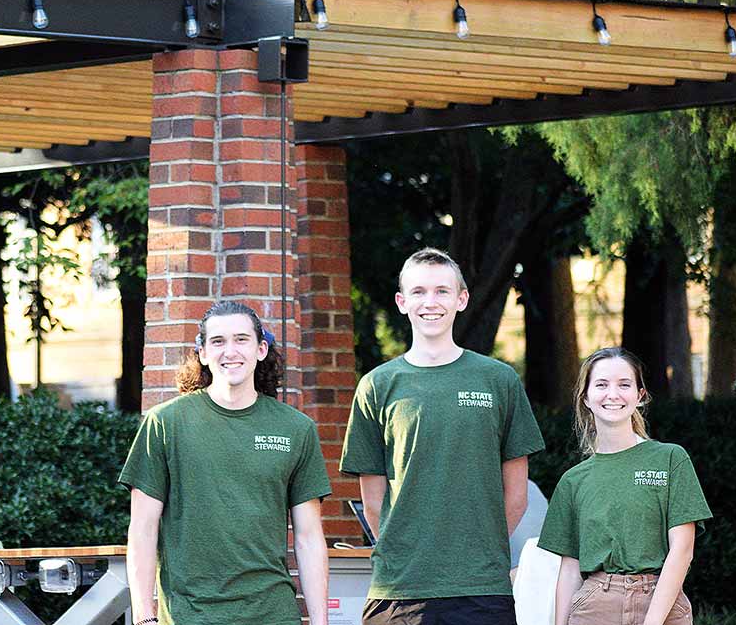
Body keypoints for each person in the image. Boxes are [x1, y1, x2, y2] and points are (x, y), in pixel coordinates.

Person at [341, 247, 546, 625]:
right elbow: (373, 502)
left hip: (482, 589)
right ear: (402, 302)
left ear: (461, 299)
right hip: (400, 591)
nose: (429, 302)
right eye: (418, 292)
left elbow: (516, 494)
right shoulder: (377, 386)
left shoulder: (498, 380)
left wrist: (479, 552)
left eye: (441, 291)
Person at [120, 301, 331, 625]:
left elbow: (308, 537)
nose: (229, 351)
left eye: (241, 339)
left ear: (261, 349)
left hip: (273, 615)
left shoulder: (295, 428)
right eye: (218, 341)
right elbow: (142, 530)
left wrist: (320, 622)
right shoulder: (165, 424)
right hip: (190, 616)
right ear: (202, 353)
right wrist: (144, 618)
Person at [537, 348, 711, 625]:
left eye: (624, 384)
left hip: (662, 604)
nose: (613, 394)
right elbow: (569, 570)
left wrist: (652, 621)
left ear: (640, 395)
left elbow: (682, 550)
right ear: (586, 397)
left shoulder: (670, 459)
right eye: (602, 385)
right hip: (594, 607)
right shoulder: (573, 481)